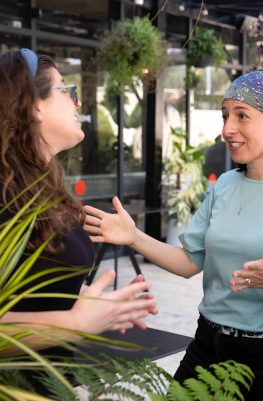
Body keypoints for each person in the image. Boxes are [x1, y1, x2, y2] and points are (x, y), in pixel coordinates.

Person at [83, 71, 263, 401]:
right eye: (226, 116)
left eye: (242, 116)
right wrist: (133, 236)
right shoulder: (224, 185)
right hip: (209, 345)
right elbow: (189, 263)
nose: (227, 130)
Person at [0, 48, 157, 392]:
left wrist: (94, 302)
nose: (78, 103)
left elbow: (35, 291)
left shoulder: (43, 188)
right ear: (34, 104)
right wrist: (75, 322)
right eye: (66, 91)